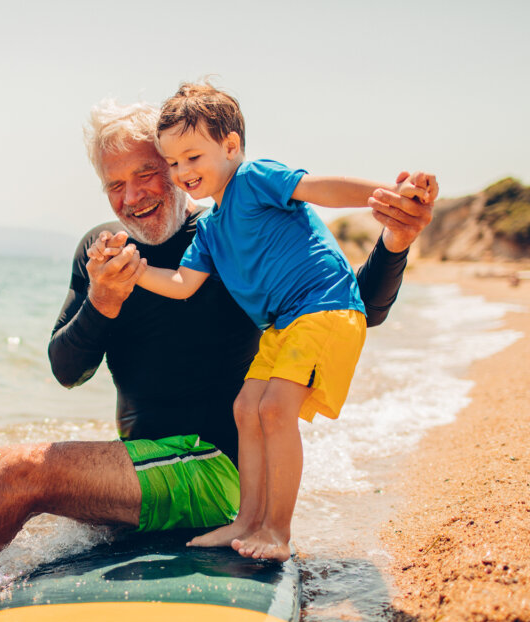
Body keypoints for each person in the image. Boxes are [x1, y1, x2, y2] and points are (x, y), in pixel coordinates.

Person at [0, 99, 438, 568]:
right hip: (149, 462)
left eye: (148, 173)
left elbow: (353, 308)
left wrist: (394, 241)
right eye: (114, 184)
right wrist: (101, 301)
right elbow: (67, 370)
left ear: (179, 169)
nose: (132, 198)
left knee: (25, 472)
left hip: (214, 468)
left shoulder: (226, 236)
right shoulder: (102, 249)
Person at [119, 82, 432, 562]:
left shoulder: (255, 178)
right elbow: (183, 283)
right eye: (174, 162)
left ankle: (278, 532)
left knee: (275, 410)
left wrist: (386, 195)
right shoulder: (210, 227)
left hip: (325, 307)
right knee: (246, 407)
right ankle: (246, 521)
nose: (182, 171)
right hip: (283, 325)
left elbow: (318, 188)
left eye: (193, 157)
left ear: (230, 146)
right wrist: (136, 271)